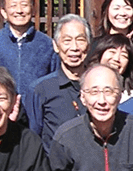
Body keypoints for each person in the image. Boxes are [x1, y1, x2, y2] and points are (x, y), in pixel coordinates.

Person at [0, 0, 58, 99]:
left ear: (33, 10)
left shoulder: (47, 45)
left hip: (37, 107)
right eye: (13, 6)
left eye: (24, 5)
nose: (19, 10)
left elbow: (54, 81)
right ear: (4, 12)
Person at [25, 14, 91, 150]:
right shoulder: (41, 89)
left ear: (89, 45)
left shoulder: (98, 85)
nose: (74, 47)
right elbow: (32, 138)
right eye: (67, 41)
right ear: (56, 46)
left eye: (80, 40)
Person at [88, 33, 133, 100]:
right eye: (112, 52)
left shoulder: (132, 98)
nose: (116, 59)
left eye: (123, 55)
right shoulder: (84, 88)